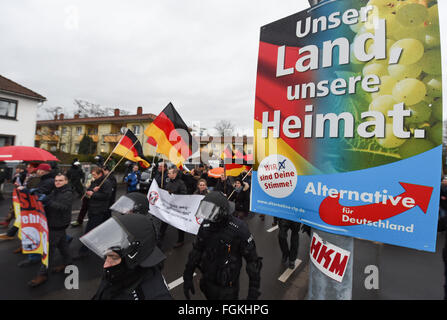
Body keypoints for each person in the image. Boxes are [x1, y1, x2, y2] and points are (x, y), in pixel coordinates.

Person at [183, 191, 262, 300]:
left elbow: (252, 262)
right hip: (208, 283)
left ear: (222, 211)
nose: (208, 214)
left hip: (228, 289)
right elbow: (196, 251)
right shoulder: (206, 225)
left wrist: (253, 291)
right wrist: (187, 276)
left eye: (212, 210)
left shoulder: (239, 228)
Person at [80, 213, 172, 300]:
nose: (106, 264)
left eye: (114, 257)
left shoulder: (155, 296)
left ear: (134, 256)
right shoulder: (119, 270)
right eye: (107, 256)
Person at [27, 174, 74, 287]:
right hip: (55, 223)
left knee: (48, 251)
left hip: (57, 224)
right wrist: (38, 193)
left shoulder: (68, 193)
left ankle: (42, 274)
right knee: (62, 245)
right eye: (56, 180)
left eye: (60, 181)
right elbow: (48, 199)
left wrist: (48, 201)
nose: (57, 182)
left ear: (66, 181)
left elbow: (63, 207)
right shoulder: (56, 191)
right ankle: (68, 262)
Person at [76, 166, 112, 259]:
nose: (93, 176)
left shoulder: (106, 183)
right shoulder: (95, 181)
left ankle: (83, 251)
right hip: (92, 209)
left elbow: (107, 196)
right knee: (97, 230)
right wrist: (91, 190)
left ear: (100, 174)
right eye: (92, 174)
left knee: (89, 231)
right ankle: (101, 245)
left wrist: (94, 194)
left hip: (99, 210)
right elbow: (89, 191)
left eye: (94, 174)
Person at [158, 167, 188, 248]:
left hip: (177, 207)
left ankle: (181, 240)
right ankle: (161, 234)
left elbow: (184, 194)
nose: (167, 174)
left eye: (169, 173)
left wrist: (174, 195)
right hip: (168, 206)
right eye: (168, 173)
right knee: (165, 220)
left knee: (179, 224)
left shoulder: (181, 183)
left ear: (174, 174)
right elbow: (166, 191)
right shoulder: (168, 182)